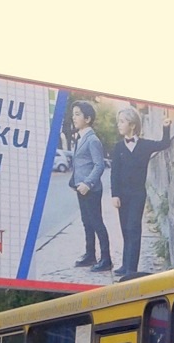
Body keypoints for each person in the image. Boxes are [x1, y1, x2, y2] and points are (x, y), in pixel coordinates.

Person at [110, 108, 172, 278]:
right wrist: (114, 195)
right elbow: (114, 173)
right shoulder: (118, 147)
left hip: (137, 194)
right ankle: (125, 265)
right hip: (122, 196)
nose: (119, 125)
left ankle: (132, 269)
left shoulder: (144, 145)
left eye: (122, 122)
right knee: (125, 229)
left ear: (132, 124)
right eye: (119, 122)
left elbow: (164, 144)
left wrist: (166, 127)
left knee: (133, 228)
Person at [67, 100, 112, 273]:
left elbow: (99, 165)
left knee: (96, 223)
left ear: (88, 118)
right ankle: (90, 255)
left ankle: (106, 259)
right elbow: (80, 163)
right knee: (87, 222)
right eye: (73, 115)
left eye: (78, 114)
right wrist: (74, 182)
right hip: (81, 188)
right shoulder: (80, 138)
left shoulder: (92, 140)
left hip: (91, 189)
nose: (74, 118)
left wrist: (87, 183)